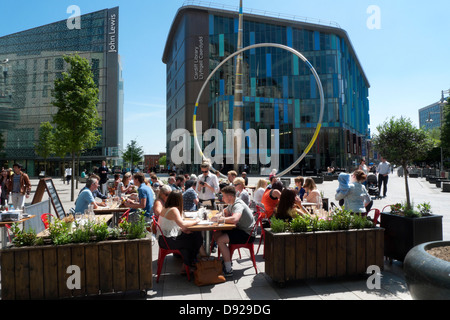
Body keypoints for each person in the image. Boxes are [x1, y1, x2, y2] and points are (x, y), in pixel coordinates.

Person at [212, 186, 256, 277]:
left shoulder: (238, 205)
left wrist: (220, 219)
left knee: (220, 240)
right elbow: (225, 211)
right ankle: (226, 258)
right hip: (241, 229)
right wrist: (219, 215)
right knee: (216, 234)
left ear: (230, 197)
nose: (222, 198)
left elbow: (235, 219)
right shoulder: (232, 202)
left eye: (223, 196)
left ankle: (228, 269)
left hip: (247, 234)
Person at [157, 191, 206, 271]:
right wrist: (196, 221)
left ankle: (188, 263)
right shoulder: (174, 210)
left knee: (194, 235)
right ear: (179, 200)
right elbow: (183, 224)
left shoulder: (166, 208)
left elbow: (177, 225)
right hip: (169, 241)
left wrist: (183, 229)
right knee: (196, 238)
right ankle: (189, 264)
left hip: (163, 239)